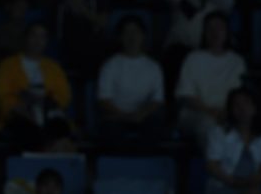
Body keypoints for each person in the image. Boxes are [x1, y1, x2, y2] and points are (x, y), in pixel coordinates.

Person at [0, 22, 72, 147]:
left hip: (47, 114)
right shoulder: (8, 65)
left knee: (60, 129)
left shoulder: (54, 67)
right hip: (17, 115)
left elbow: (63, 96)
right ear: (26, 38)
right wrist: (18, 107)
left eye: (42, 37)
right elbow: (0, 94)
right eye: (34, 36)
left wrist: (46, 104)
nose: (37, 41)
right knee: (26, 130)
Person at [176, 12, 247, 148]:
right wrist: (211, 111)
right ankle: (217, 167)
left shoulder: (237, 61)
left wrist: (228, 113)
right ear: (204, 32)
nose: (215, 33)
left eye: (219, 28)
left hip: (228, 114)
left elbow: (241, 95)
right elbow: (186, 95)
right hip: (197, 114)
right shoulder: (193, 58)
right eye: (210, 28)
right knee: (208, 126)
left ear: (227, 32)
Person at [204, 88, 261, 194]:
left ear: (255, 107)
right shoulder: (219, 133)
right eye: (236, 105)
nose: (242, 109)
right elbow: (211, 165)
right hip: (223, 189)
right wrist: (232, 181)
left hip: (251, 187)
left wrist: (247, 182)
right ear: (230, 109)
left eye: (246, 103)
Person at [96, 16, 165, 144]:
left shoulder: (153, 67)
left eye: (136, 32)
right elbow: (104, 99)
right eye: (127, 32)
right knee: (108, 131)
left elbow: (157, 99)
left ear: (143, 36)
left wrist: (141, 114)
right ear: (120, 37)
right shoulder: (110, 65)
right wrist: (124, 116)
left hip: (143, 117)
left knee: (156, 127)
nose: (132, 37)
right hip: (116, 117)